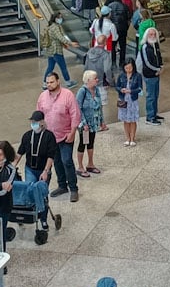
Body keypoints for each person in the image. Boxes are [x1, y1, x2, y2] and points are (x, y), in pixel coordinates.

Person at [37, 72, 82, 202]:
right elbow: (39, 115)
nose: (49, 84)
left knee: (66, 161)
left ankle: (73, 188)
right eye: (47, 82)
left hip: (66, 135)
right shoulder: (42, 97)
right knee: (56, 162)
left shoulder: (68, 95)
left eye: (51, 82)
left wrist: (73, 132)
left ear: (58, 82)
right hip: (50, 138)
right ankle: (62, 186)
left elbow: (75, 114)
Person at [75, 71, 106, 177]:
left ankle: (90, 164)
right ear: (88, 80)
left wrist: (102, 121)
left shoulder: (96, 90)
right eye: (95, 78)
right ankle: (80, 166)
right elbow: (78, 108)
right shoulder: (82, 91)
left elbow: (100, 106)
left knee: (91, 142)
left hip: (94, 122)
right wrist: (83, 123)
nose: (97, 80)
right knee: (82, 144)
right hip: (84, 124)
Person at [18, 110, 59, 187]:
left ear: (42, 122)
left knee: (41, 193)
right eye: (32, 121)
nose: (33, 124)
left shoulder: (49, 136)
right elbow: (20, 152)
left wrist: (46, 171)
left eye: (36, 122)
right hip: (30, 169)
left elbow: (51, 156)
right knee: (30, 190)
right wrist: (12, 166)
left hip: (43, 169)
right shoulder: (27, 136)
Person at [41, 13, 78, 86]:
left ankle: (45, 83)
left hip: (50, 50)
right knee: (63, 67)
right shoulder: (55, 27)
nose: (61, 19)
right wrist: (70, 43)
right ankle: (68, 82)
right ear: (56, 19)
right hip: (56, 50)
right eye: (59, 18)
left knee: (50, 67)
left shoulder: (51, 26)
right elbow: (60, 37)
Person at [138, 28, 164, 125]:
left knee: (155, 95)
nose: (152, 36)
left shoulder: (155, 44)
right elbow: (147, 62)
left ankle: (154, 113)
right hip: (149, 74)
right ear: (146, 35)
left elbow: (159, 56)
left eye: (154, 34)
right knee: (151, 96)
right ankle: (150, 117)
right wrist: (157, 69)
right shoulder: (144, 47)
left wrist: (161, 66)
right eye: (150, 35)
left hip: (157, 73)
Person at [116, 58, 143, 146]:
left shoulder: (137, 76)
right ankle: (127, 138)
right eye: (126, 68)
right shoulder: (121, 76)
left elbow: (140, 89)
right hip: (123, 99)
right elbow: (117, 86)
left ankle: (132, 138)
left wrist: (131, 91)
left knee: (133, 120)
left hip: (132, 100)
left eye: (130, 68)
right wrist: (121, 89)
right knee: (125, 120)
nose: (128, 70)